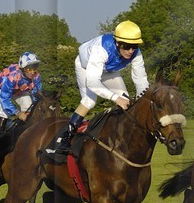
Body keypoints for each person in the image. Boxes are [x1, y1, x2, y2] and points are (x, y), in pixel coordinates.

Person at [42, 21, 149, 162]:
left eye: (134, 46)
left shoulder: (136, 54)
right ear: (117, 43)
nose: (130, 51)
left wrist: (145, 100)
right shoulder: (102, 49)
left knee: (126, 99)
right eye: (127, 46)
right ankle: (64, 139)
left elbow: (141, 80)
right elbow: (93, 83)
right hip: (85, 67)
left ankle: (119, 140)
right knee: (90, 101)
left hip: (108, 70)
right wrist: (115, 98)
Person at [0, 52, 43, 156]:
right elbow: (5, 99)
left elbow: (37, 94)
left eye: (35, 67)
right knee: (5, 112)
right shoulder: (12, 77)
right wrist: (18, 113)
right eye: (29, 68)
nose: (33, 71)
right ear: (23, 68)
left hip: (19, 89)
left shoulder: (36, 76)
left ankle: (23, 134)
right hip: (1, 87)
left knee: (29, 107)